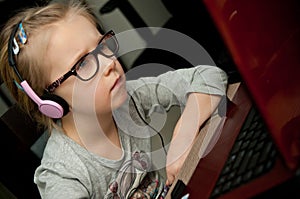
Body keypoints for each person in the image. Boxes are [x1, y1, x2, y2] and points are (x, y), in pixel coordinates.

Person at [0, 0, 228, 198]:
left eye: (102, 45)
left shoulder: (131, 97)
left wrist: (184, 134)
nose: (110, 62)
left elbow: (209, 76)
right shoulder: (63, 174)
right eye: (83, 63)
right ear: (50, 103)